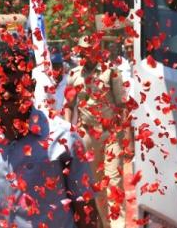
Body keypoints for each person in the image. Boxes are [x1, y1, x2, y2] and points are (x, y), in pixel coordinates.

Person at [0, 34, 101, 228]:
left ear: (30, 87)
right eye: (1, 87)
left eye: (15, 88)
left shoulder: (64, 138)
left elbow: (87, 214)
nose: (6, 95)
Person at [65, 36, 130, 228]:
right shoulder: (74, 75)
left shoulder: (111, 72)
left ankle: (119, 225)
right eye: (84, 50)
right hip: (87, 135)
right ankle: (104, 224)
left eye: (91, 49)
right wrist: (69, 129)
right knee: (95, 186)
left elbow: (122, 105)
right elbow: (68, 105)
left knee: (114, 184)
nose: (88, 53)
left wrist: (128, 140)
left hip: (111, 135)